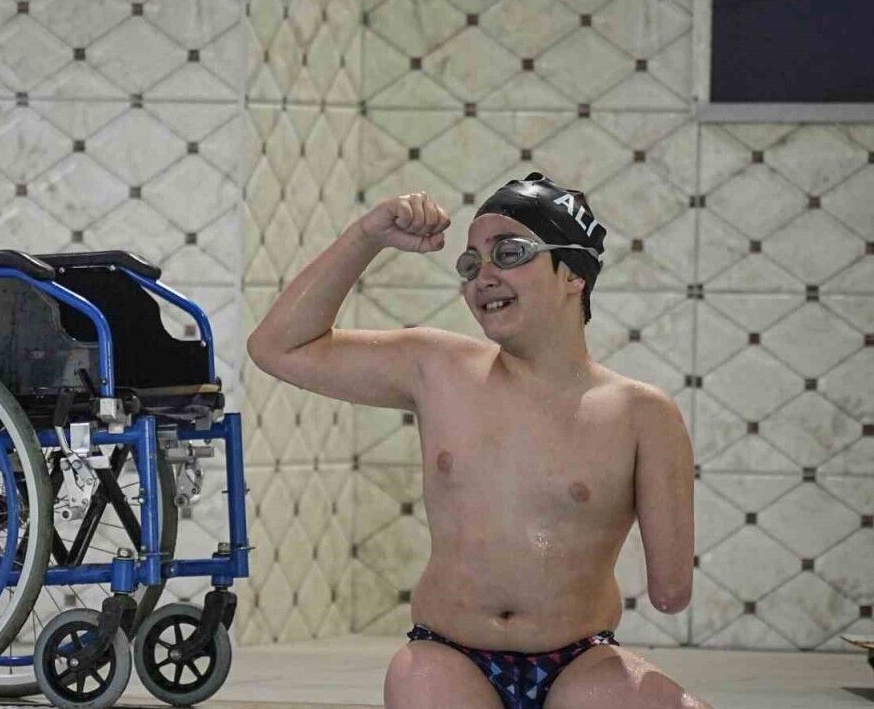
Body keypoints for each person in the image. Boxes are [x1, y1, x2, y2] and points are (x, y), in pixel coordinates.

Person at [246, 173, 710, 709]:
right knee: (421, 678)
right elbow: (276, 348)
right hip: (448, 657)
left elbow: (671, 593)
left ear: (572, 274)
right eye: (470, 264)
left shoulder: (642, 413)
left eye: (509, 254)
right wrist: (367, 235)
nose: (482, 277)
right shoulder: (436, 367)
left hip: (581, 663)